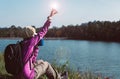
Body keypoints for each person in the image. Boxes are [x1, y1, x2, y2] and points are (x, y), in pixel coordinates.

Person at [15, 9, 65, 79]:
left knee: (41, 61)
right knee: (46, 65)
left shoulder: (21, 43)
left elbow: (32, 61)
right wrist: (50, 16)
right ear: (32, 35)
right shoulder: (31, 42)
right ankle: (59, 78)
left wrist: (36, 47)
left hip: (19, 73)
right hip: (28, 76)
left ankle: (57, 74)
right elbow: (43, 30)